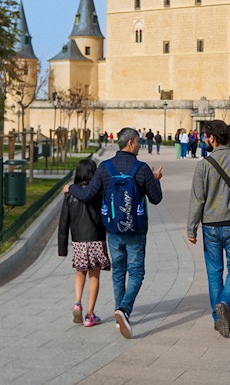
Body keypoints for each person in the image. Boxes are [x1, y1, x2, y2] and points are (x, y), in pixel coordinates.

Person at [65, 127, 163, 339]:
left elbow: (88, 193)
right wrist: (155, 179)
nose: (139, 145)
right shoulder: (142, 168)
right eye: (137, 142)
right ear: (130, 143)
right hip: (136, 230)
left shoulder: (105, 167)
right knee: (137, 272)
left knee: (119, 272)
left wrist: (70, 188)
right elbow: (156, 199)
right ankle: (124, 310)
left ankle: (121, 315)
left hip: (113, 230)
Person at [187, 119, 230, 337]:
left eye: (206, 136)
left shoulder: (203, 165)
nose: (205, 139)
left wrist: (191, 229)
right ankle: (226, 303)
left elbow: (197, 200)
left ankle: (218, 318)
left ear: (213, 138)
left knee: (214, 272)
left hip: (210, 225)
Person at [58, 158, 111, 327]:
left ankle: (77, 302)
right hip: (96, 238)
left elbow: (63, 223)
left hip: (78, 241)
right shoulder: (98, 193)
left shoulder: (70, 195)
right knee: (94, 275)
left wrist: (62, 248)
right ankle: (90, 315)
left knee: (80, 271)